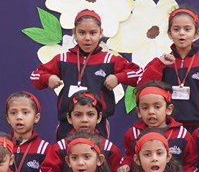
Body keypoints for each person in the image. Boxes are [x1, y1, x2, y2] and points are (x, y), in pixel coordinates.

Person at [31, 8, 139, 138]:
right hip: (68, 123)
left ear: (101, 33)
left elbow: (138, 73)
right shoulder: (63, 58)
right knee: (64, 151)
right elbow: (35, 76)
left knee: (96, 151)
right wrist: (48, 78)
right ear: (74, 33)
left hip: (97, 124)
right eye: (82, 33)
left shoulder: (109, 60)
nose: (87, 38)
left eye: (93, 33)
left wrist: (118, 78)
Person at [138, 5, 199, 127]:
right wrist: (159, 65)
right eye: (176, 29)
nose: (182, 33)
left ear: (196, 33)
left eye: (187, 29)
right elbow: (144, 89)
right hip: (168, 125)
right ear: (169, 34)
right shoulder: (162, 62)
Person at [121, 84, 197, 172]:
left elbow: (190, 164)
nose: (151, 112)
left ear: (168, 109)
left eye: (157, 107)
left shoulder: (181, 134)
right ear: (138, 111)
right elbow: (129, 155)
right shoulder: (133, 133)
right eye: (145, 108)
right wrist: (126, 165)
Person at [3, 91, 51, 172]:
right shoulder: (1, 145)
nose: (19, 117)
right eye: (13, 113)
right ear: (8, 119)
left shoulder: (45, 148)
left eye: (25, 112)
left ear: (36, 117)